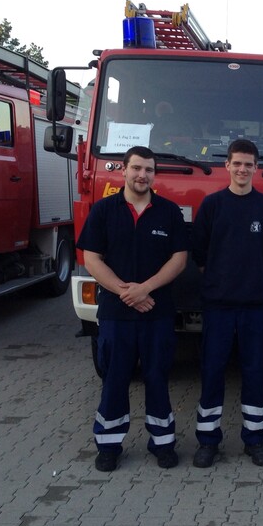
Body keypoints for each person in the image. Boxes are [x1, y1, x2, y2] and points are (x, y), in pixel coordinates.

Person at [77, 146, 189, 472]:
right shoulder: (103, 211)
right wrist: (125, 291)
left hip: (156, 311)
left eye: (149, 170)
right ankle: (109, 446)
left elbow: (179, 259)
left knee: (157, 377)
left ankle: (163, 443)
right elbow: (91, 259)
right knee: (115, 378)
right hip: (116, 313)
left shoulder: (168, 212)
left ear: (155, 174)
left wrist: (145, 289)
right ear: (123, 171)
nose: (143, 175)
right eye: (137, 168)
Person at [191, 139, 263, 469]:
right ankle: (207, 441)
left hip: (253, 308)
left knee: (255, 372)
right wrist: (219, 279)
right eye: (237, 163)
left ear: (256, 169)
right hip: (218, 307)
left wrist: (257, 278)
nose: (243, 169)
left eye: (249, 164)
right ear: (227, 166)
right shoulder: (213, 205)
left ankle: (255, 440)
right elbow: (199, 253)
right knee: (212, 372)